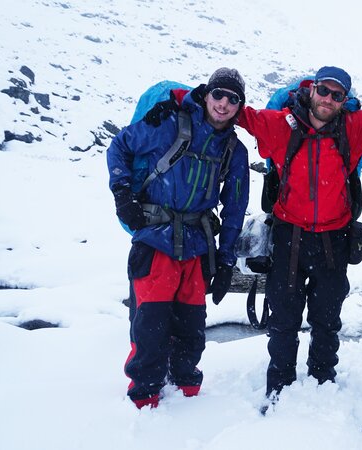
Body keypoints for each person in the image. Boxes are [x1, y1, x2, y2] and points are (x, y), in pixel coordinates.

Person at [235, 66, 362, 405]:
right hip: (289, 236)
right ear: (311, 90)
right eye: (324, 91)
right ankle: (279, 383)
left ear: (345, 100)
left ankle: (322, 379)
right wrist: (186, 97)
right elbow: (238, 113)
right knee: (284, 316)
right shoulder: (283, 125)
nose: (329, 99)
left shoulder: (353, 129)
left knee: (327, 318)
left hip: (333, 240)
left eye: (337, 94)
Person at [107, 68, 250, 409]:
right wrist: (122, 194)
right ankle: (144, 399)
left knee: (191, 329)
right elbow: (119, 147)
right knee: (150, 326)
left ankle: (189, 397)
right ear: (207, 94)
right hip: (156, 241)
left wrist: (227, 259)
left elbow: (234, 208)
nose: (224, 104)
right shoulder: (169, 124)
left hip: (198, 248)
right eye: (219, 94)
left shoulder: (235, 150)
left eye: (234, 99)